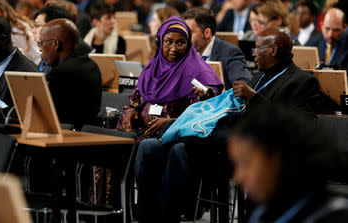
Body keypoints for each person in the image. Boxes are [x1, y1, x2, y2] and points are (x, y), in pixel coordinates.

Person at [135, 27, 323, 223]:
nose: (253, 54)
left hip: (256, 152)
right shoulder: (259, 77)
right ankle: (146, 216)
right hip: (225, 141)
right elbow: (232, 111)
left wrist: (254, 98)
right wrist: (212, 99)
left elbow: (298, 129)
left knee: (180, 149)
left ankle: (166, 216)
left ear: (274, 50)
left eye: (256, 49)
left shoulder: (302, 82)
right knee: (149, 147)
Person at [228, 104, 348, 223]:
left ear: (280, 160)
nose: (238, 177)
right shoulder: (262, 209)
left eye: (246, 163)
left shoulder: (331, 217)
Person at [117, 16, 223, 141]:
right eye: (168, 42)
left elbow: (202, 115)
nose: (173, 49)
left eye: (181, 43)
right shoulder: (151, 70)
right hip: (142, 132)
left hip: (172, 137)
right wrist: (130, 114)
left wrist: (169, 123)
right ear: (159, 42)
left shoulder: (199, 73)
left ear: (188, 45)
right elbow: (133, 104)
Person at [39, 18, 101, 128]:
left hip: (64, 137)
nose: (40, 49)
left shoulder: (59, 74)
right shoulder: (92, 65)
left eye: (41, 43)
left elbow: (44, 115)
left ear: (55, 44)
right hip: (88, 136)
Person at [183, 7, 252, 89]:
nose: (185, 37)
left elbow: (243, 86)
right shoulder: (187, 54)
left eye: (190, 32)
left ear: (207, 33)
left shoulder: (230, 52)